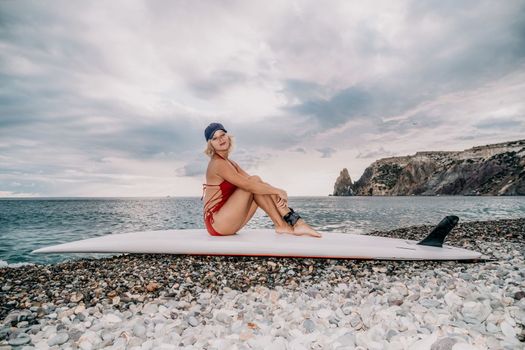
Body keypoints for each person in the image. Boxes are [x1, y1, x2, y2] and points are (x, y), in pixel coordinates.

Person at [201, 122, 322, 238]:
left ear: (228, 137)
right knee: (254, 184)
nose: (221, 139)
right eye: (215, 138)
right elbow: (248, 185)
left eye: (222, 135)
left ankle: (293, 222)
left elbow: (257, 183)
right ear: (210, 144)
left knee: (257, 182)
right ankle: (289, 224)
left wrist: (274, 191)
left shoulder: (230, 163)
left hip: (226, 221)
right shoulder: (218, 163)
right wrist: (278, 191)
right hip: (216, 222)